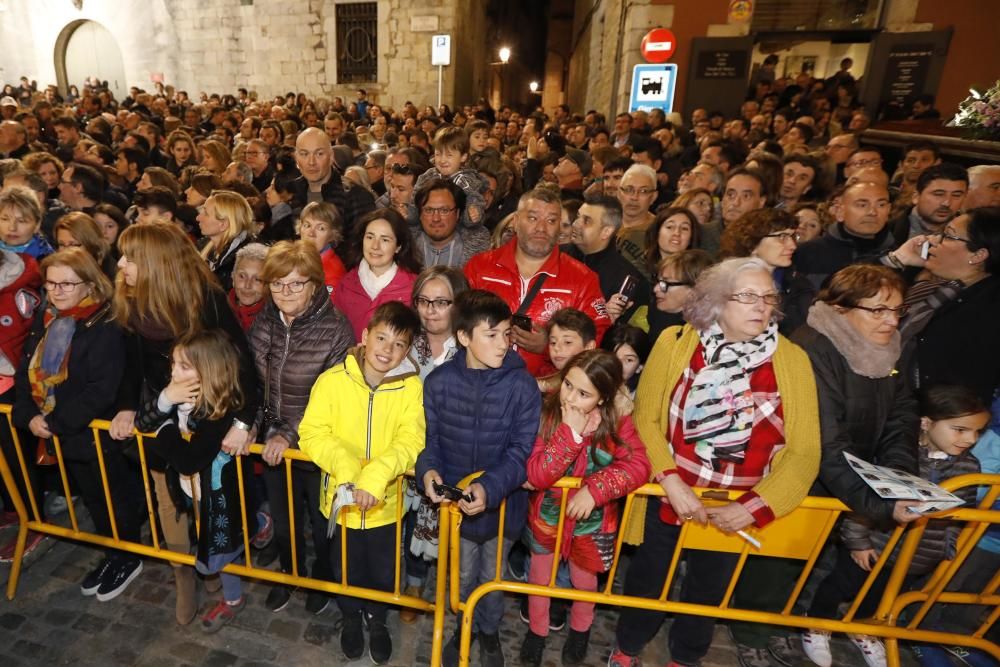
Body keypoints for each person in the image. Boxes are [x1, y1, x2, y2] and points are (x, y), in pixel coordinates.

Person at [609, 257, 821, 667]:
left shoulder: (791, 361)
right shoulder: (676, 344)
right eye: (746, 296)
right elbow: (646, 420)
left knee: (708, 591)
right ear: (717, 301)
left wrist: (752, 508)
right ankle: (627, 648)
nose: (760, 306)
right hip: (669, 494)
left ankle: (685, 657)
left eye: (767, 297)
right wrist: (669, 481)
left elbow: (805, 452)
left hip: (733, 507)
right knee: (647, 580)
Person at [109, 223, 258, 626]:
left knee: (202, 499)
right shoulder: (130, 300)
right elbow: (130, 364)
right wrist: (127, 407)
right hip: (161, 408)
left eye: (130, 257)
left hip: (207, 412)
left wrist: (244, 422)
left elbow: (242, 363)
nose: (120, 263)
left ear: (156, 264)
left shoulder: (205, 299)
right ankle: (183, 577)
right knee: (166, 498)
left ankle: (210, 566)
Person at [801, 384, 989, 667]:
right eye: (960, 429)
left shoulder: (970, 467)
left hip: (918, 556)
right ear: (926, 423)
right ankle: (816, 626)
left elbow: (962, 514)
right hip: (875, 544)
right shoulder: (898, 455)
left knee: (880, 597)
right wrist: (858, 542)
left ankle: (862, 628)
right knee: (840, 585)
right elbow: (867, 499)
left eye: (977, 432)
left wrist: (947, 551)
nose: (970, 439)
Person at [789, 264, 920, 667]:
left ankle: (819, 622)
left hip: (854, 484)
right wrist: (877, 502)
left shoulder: (888, 346)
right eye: (878, 310)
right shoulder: (813, 347)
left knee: (837, 567)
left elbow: (901, 419)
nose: (891, 320)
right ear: (842, 308)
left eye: (897, 310)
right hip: (809, 481)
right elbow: (825, 440)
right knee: (789, 567)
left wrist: (896, 482)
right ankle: (777, 628)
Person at [416, 290, 541, 667]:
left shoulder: (522, 386)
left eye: (506, 333)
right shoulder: (438, 383)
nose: (503, 343)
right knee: (463, 574)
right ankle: (462, 627)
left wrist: (490, 486)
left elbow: (522, 451)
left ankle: (488, 632)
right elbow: (431, 442)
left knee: (493, 576)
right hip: (458, 509)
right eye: (492, 334)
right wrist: (428, 471)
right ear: (464, 337)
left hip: (502, 508)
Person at [9, 249, 141, 597]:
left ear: (89, 282)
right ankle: (113, 552)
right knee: (93, 499)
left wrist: (54, 422)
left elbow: (102, 388)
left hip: (91, 432)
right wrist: (28, 415)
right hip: (60, 431)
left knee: (112, 498)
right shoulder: (47, 316)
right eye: (51, 283)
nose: (57, 291)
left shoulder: (105, 322)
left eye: (67, 283)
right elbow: (27, 368)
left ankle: (128, 556)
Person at [298, 302, 425, 664]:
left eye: (398, 344)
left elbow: (410, 441)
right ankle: (351, 616)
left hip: (385, 505)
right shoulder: (332, 380)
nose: (387, 350)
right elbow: (312, 432)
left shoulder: (410, 388)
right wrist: (347, 470)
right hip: (341, 502)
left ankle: (378, 617)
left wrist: (375, 476)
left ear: (407, 350)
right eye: (381, 338)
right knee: (346, 566)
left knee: (384, 567)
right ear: (365, 336)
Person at [519, 350, 651, 666]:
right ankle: (536, 632)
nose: (571, 398)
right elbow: (537, 473)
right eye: (568, 385)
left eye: (583, 393)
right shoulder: (546, 413)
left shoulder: (618, 423)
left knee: (585, 583)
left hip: (592, 524)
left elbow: (639, 464)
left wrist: (596, 489)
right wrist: (570, 434)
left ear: (603, 398)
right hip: (547, 518)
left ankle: (581, 630)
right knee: (539, 578)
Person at [248, 240, 354, 615]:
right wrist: (252, 425)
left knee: (322, 519)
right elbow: (255, 383)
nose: (285, 292)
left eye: (295, 283)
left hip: (318, 445)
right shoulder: (265, 319)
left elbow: (332, 397)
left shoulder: (336, 328)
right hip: (273, 442)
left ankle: (322, 579)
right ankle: (290, 575)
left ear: (314, 284)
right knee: (283, 518)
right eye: (277, 284)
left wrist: (288, 433)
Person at [132, 331, 255, 632]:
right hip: (191, 489)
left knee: (220, 547)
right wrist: (165, 400)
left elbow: (189, 459)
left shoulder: (219, 409)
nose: (174, 372)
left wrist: (164, 430)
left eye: (184, 366)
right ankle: (258, 522)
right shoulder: (176, 392)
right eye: (174, 363)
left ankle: (234, 599)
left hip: (219, 495)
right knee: (207, 535)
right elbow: (141, 421)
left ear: (209, 369)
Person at [464, 187, 610, 376]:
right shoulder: (480, 268)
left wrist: (550, 347)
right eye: (532, 218)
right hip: (481, 385)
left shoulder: (582, 280)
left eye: (551, 221)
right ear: (515, 221)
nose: (541, 228)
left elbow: (596, 340)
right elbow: (459, 325)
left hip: (548, 396)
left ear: (560, 227)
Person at [398, 265, 470, 624]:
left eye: (441, 302)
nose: (431, 309)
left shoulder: (472, 348)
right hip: (412, 453)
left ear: (458, 304)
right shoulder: (406, 345)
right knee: (414, 521)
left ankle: (457, 591)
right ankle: (414, 584)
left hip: (458, 452)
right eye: (424, 301)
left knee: (457, 527)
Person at [891, 207, 1000, 404]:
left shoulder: (990, 308)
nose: (933, 241)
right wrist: (897, 259)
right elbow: (846, 297)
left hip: (955, 422)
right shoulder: (930, 289)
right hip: (905, 413)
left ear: (978, 255)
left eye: (948, 236)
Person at [720, 208, 815, 334]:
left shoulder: (800, 286)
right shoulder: (722, 284)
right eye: (782, 237)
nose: (792, 245)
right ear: (752, 243)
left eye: (792, 236)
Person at [333, 209, 422, 341]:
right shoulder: (345, 285)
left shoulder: (414, 288)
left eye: (385, 240)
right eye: (369, 237)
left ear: (398, 246)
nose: (375, 246)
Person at [563, 194, 648, 325]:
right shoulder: (556, 256)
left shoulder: (625, 277)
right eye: (578, 216)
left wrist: (604, 316)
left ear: (606, 231)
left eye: (586, 221)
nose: (575, 224)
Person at [794, 180, 894, 291]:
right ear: (840, 211)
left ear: (889, 210)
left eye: (881, 205)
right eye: (862, 205)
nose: (872, 212)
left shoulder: (901, 256)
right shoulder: (806, 253)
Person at [628, 249, 713, 344]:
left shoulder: (700, 337)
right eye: (658, 281)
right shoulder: (655, 312)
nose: (656, 289)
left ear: (694, 291)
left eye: (665, 283)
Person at [410, 126, 486, 228]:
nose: (442, 160)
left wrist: (472, 215)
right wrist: (409, 213)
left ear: (463, 157)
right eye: (438, 154)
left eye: (449, 155)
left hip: (458, 231)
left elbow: (474, 201)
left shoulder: (467, 181)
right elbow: (415, 200)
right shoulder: (427, 176)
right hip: (427, 227)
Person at [411, 178, 490, 268]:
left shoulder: (476, 252)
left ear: (457, 213)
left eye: (444, 210)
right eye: (428, 210)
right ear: (419, 214)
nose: (436, 218)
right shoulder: (404, 248)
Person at [196, 190, 256, 291]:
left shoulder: (242, 261)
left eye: (205, 213)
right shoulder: (201, 246)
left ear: (223, 224)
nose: (198, 218)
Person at [297, 201, 346, 299]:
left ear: (332, 235)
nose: (311, 233)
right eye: (307, 225)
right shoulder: (296, 257)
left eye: (321, 228)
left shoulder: (332, 273)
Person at [0, 185, 54, 259]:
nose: (12, 228)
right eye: (5, 219)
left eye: (21, 221)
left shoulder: (45, 259)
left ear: (37, 225)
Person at [601, 324, 650, 398]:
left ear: (640, 366)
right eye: (613, 356)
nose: (618, 365)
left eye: (629, 360)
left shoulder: (642, 398)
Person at [228, 242, 268, 331]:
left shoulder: (274, 320)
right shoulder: (218, 309)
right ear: (233, 276)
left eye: (257, 279)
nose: (247, 285)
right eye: (242, 276)